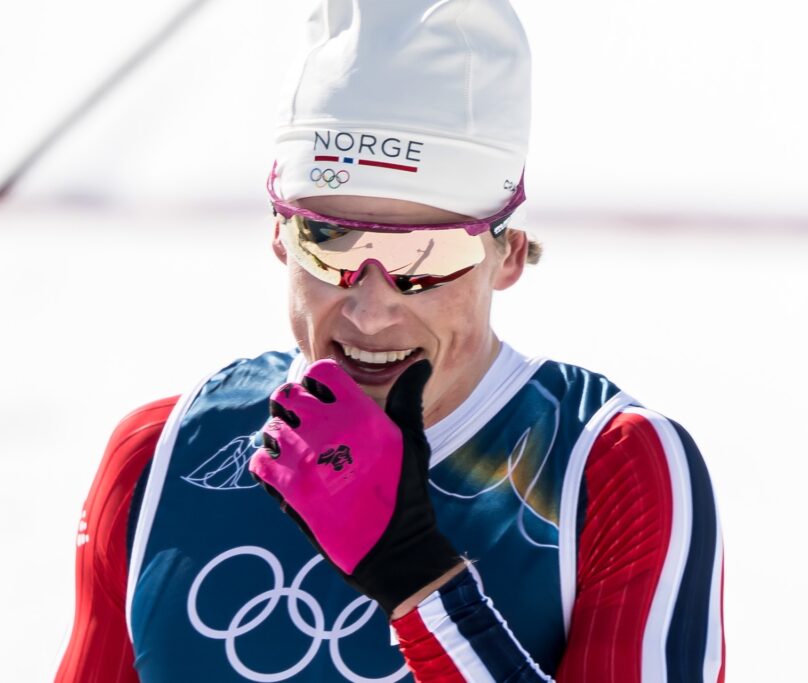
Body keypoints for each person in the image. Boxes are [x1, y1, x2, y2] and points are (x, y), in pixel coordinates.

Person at [55, 0, 725, 680]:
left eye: (424, 258)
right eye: (329, 241)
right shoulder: (160, 457)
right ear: (278, 238)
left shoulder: (612, 468)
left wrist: (414, 576)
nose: (370, 313)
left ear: (510, 255)